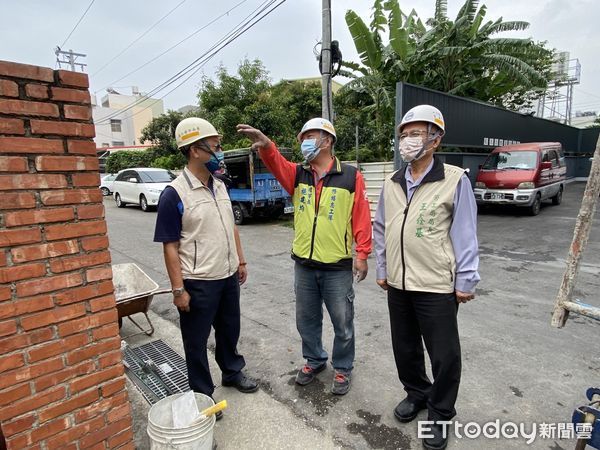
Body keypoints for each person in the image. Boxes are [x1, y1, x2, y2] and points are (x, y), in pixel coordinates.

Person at [236, 118, 372, 395]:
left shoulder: (350, 175)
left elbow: (361, 216)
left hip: (337, 265)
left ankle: (343, 367)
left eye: (312, 135)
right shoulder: (298, 174)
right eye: (304, 136)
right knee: (306, 319)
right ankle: (314, 359)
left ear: (328, 140)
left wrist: (362, 253)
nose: (305, 141)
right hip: (304, 264)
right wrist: (266, 146)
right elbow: (276, 162)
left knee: (342, 321)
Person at [373, 105, 480, 450]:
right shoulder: (392, 182)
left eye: (417, 133)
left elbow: (465, 232)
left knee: (444, 354)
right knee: (404, 348)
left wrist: (466, 279)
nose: (408, 140)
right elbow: (380, 228)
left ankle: (440, 413)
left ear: (436, 139)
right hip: (398, 283)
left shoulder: (453, 179)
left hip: (436, 284)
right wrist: (382, 267)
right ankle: (417, 393)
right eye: (405, 134)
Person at [154, 117, 258, 419]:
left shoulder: (219, 185)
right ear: (194, 150)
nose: (219, 152)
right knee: (196, 342)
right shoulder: (174, 194)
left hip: (226, 276)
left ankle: (232, 372)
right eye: (215, 147)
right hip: (197, 281)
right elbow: (169, 246)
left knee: (229, 330)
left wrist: (240, 259)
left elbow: (231, 226)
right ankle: (203, 394)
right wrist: (178, 290)